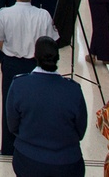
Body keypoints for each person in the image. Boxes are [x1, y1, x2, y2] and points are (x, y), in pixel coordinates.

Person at [0, 0, 59, 155]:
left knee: (9, 103)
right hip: (36, 64)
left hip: (12, 63)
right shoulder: (43, 15)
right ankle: (35, 143)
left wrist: (6, 51)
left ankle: (8, 146)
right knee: (36, 104)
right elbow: (51, 40)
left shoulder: (4, 14)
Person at [5, 37, 87, 176]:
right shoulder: (73, 90)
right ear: (58, 58)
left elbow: (12, 125)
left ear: (35, 56)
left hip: (28, 161)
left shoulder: (19, 85)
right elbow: (80, 131)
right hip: (67, 163)